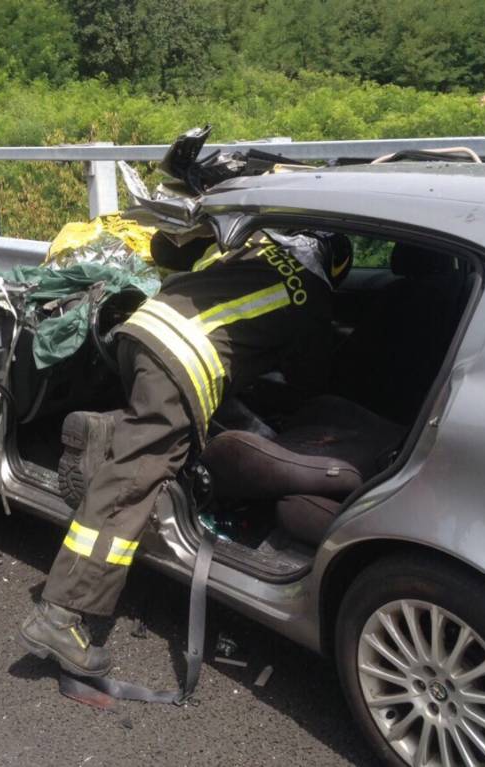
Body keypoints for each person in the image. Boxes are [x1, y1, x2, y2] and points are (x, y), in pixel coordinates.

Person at [19, 228, 352, 676]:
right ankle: (58, 615)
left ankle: (112, 438)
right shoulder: (313, 295)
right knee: (134, 479)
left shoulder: (259, 245)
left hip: (144, 329)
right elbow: (308, 378)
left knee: (144, 444)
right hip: (185, 359)